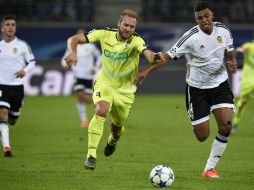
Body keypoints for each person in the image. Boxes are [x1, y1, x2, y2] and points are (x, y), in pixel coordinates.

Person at [136, 1, 237, 178]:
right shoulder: (190, 37)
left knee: (226, 126)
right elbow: (167, 57)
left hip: (220, 84)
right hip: (197, 89)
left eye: (206, 16)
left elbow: (229, 50)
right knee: (202, 136)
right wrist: (147, 71)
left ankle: (209, 168)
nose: (204, 20)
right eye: (200, 18)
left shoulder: (224, 31)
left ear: (212, 15)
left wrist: (232, 61)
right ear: (196, 19)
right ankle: (197, 117)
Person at [64, 9, 161, 170]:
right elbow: (73, 39)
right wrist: (73, 52)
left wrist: (154, 58)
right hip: (104, 84)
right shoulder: (104, 34)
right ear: (119, 24)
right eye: (126, 24)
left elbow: (148, 54)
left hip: (125, 92)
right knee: (101, 111)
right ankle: (91, 155)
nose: (128, 29)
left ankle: (112, 141)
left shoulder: (136, 41)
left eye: (132, 26)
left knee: (116, 128)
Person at [0, 15, 36, 157]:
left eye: (13, 24)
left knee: (12, 120)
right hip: (2, 86)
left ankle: (5, 126)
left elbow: (32, 62)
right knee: (2, 114)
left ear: (15, 28)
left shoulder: (22, 45)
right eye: (7, 24)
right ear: (2, 28)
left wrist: (24, 71)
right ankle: (7, 148)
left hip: (17, 87)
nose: (10, 27)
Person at [61, 27, 101, 128]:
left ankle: (100, 109)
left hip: (89, 76)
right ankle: (84, 120)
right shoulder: (72, 48)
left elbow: (99, 56)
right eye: (78, 34)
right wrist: (66, 64)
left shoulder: (91, 46)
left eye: (82, 34)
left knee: (87, 99)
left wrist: (95, 67)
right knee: (79, 96)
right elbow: (64, 60)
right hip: (77, 76)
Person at [232, 41, 254, 133]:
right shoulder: (249, 46)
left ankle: (234, 125)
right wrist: (239, 50)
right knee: (242, 103)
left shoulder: (248, 46)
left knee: (241, 103)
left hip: (248, 81)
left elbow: (240, 49)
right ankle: (235, 123)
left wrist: (238, 50)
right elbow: (241, 49)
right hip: (247, 80)